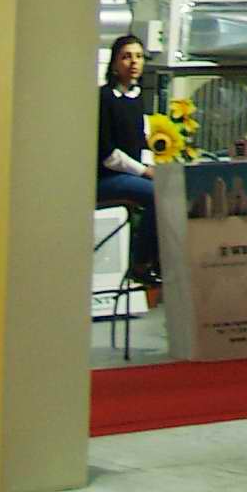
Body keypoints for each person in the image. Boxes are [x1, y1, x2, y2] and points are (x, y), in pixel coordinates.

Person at [96, 33, 161, 304]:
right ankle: (141, 263)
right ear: (114, 63)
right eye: (126, 57)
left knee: (170, 189)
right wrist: (144, 172)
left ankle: (160, 261)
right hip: (106, 177)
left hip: (131, 173)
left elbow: (141, 141)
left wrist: (153, 166)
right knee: (156, 194)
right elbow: (108, 155)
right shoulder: (104, 98)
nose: (133, 62)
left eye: (138, 56)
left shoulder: (137, 98)